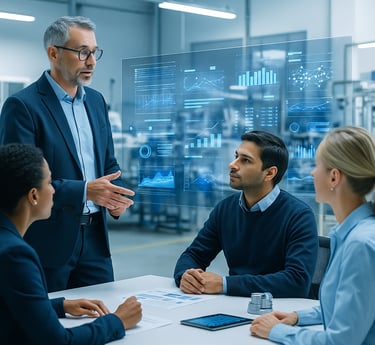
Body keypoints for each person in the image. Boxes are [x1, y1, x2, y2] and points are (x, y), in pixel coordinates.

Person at [0, 16, 135, 292]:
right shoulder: (23, 106)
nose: (92, 61)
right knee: (48, 328)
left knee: (101, 318)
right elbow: (21, 182)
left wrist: (116, 196)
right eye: (82, 52)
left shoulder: (96, 102)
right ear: (54, 53)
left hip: (96, 241)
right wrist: (85, 191)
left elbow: (109, 164)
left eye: (94, 52)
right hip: (48, 242)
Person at [0, 143, 142, 345]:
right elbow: (59, 341)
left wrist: (60, 306)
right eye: (50, 182)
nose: (54, 190)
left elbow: (10, 305)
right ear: (33, 196)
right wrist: (117, 321)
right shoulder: (15, 255)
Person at [250, 126, 375, 344]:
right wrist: (297, 317)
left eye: (317, 166)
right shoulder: (350, 235)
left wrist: (275, 331)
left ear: (334, 177)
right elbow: (350, 308)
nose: (312, 172)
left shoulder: (360, 244)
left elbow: (341, 341)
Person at [174, 130, 318, 297]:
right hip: (236, 305)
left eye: (245, 160)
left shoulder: (298, 216)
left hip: (280, 313)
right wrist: (185, 275)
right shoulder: (225, 209)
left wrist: (225, 284)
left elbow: (296, 281)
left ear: (269, 173)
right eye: (236, 156)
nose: (232, 165)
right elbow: (194, 254)